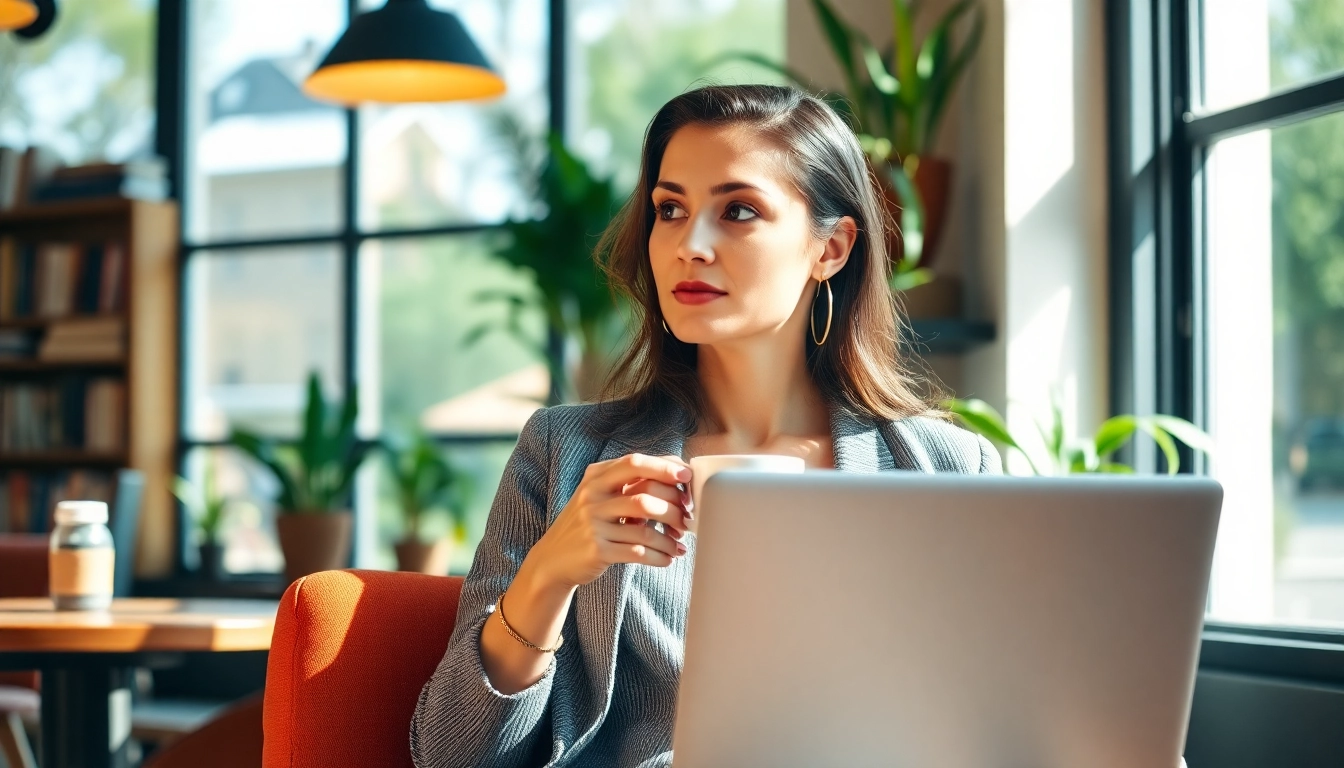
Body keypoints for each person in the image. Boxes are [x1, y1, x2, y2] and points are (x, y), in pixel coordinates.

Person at [410, 83, 1002, 768]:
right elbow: (449, 754)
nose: (689, 245)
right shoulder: (563, 454)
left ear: (832, 248)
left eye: (738, 210)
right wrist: (549, 574)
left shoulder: (947, 468)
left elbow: (1001, 723)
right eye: (670, 209)